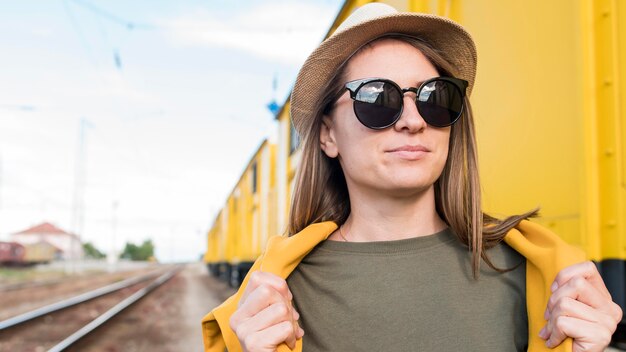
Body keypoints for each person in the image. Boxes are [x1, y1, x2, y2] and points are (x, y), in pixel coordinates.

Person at [202, 3, 622, 352]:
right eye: (378, 99)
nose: (412, 121)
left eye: (434, 98)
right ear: (329, 134)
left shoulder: (537, 276)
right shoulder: (274, 296)